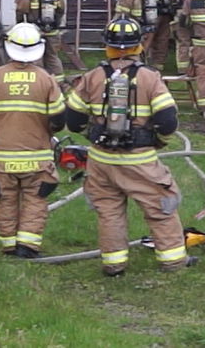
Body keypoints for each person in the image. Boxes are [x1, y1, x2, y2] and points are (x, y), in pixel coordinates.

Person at [65, 17, 193, 276]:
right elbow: (167, 121)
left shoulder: (92, 77)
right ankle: (173, 261)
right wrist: (158, 142)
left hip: (101, 160)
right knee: (161, 207)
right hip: (139, 161)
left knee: (109, 212)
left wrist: (92, 134)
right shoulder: (150, 78)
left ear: (106, 45)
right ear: (139, 45)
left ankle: (114, 264)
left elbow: (73, 119)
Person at [0, 23, 67, 257]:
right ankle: (28, 246)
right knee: (35, 200)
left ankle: (9, 245)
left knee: (6, 200)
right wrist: (45, 132)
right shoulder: (46, 79)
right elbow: (58, 120)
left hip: (2, 158)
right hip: (37, 158)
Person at [14, 0, 65, 76]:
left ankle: (39, 81)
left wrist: (20, 25)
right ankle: (59, 83)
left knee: (36, 56)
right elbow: (62, 7)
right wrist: (56, 22)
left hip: (34, 30)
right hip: (53, 29)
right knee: (52, 56)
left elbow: (21, 9)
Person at [139, 0, 172, 68]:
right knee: (162, 38)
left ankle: (140, 61)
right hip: (166, 11)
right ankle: (159, 63)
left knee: (148, 37)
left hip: (152, 12)